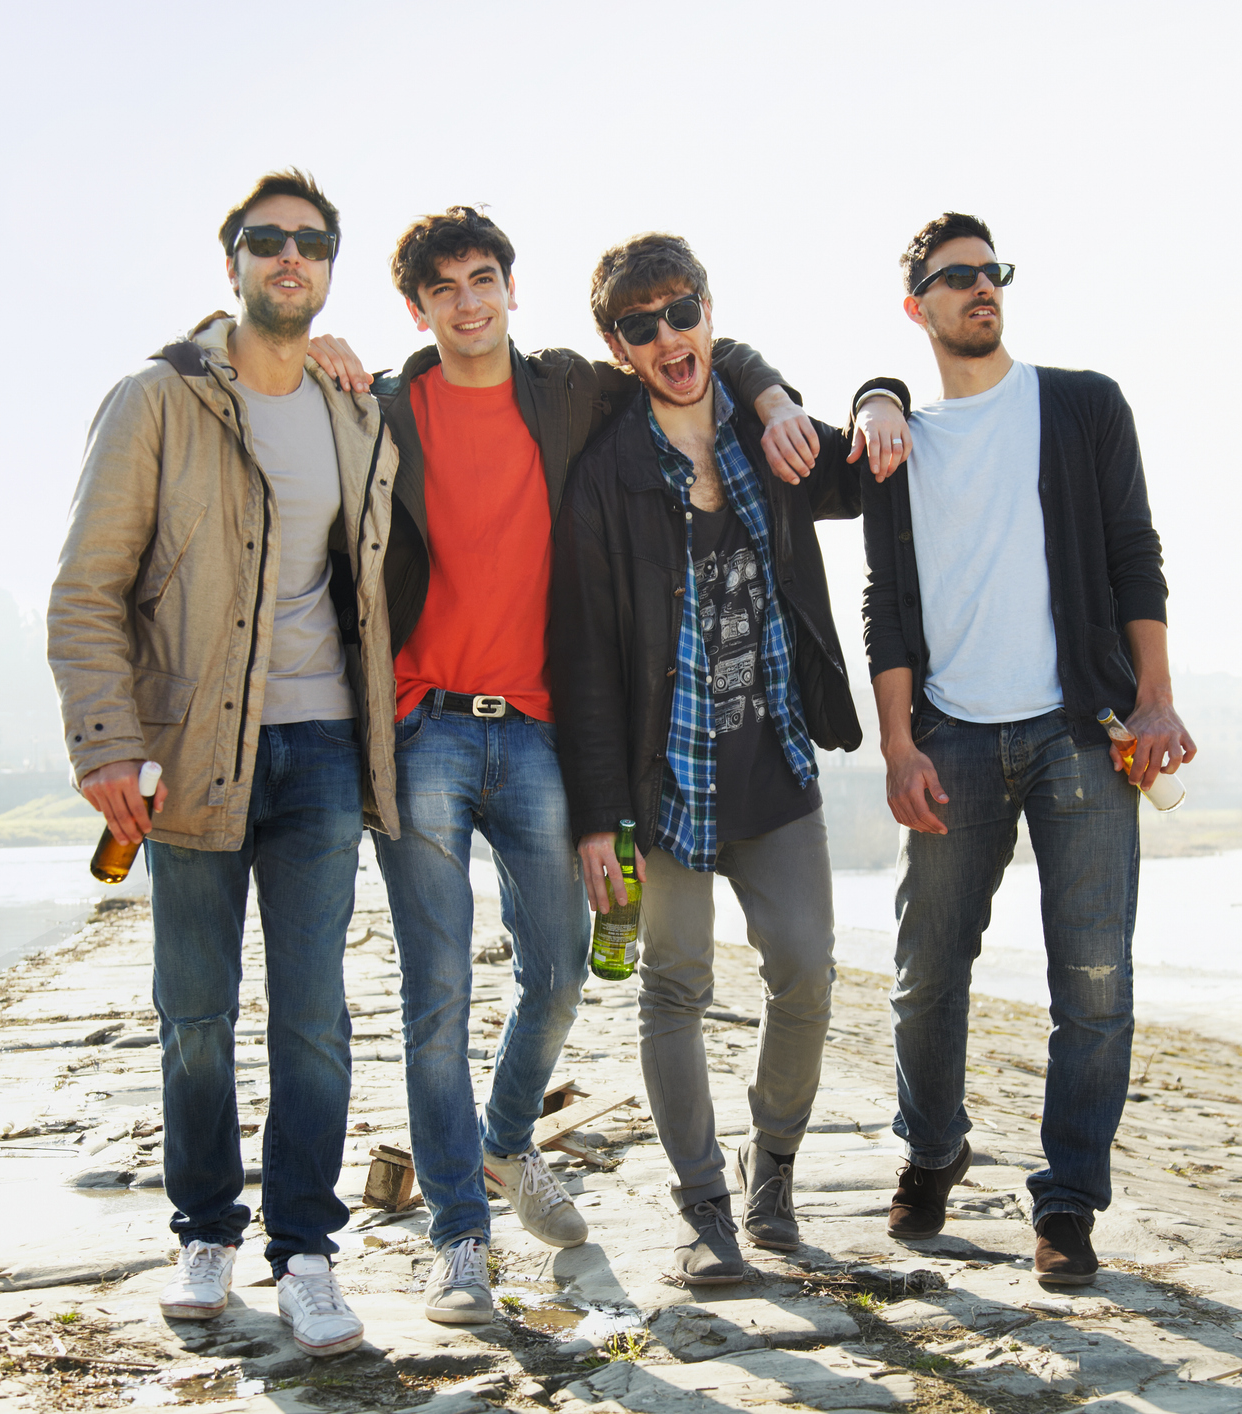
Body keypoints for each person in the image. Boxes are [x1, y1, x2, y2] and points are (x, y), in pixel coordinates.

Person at [302, 207, 823, 1322]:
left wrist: (780, 392)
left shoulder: (567, 390)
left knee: (564, 970)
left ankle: (500, 1141)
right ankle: (461, 1242)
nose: (469, 303)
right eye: (444, 290)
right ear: (416, 309)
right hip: (425, 726)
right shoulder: (385, 407)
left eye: (484, 279)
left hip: (535, 727)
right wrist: (310, 348)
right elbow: (244, 356)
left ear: (510, 288)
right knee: (435, 995)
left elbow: (693, 353)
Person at [48, 170, 391, 1356]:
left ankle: (304, 1251)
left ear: (330, 265)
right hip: (193, 755)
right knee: (194, 1011)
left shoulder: (356, 408)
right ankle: (205, 1230)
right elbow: (86, 588)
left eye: (310, 242)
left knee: (312, 1017)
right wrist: (107, 742)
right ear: (231, 260)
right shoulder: (156, 401)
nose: (288, 257)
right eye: (266, 241)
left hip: (326, 749)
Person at [550, 233, 910, 1283]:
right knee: (675, 985)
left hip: (775, 763)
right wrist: (595, 816)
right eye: (641, 324)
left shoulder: (770, 438)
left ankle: (774, 1186)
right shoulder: (605, 479)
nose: (669, 336)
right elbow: (579, 661)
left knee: (805, 969)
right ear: (617, 346)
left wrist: (882, 395)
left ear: (709, 308)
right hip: (666, 783)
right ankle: (702, 1206)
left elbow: (871, 463)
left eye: (683, 310)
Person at [858, 212, 1195, 1285]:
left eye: (990, 271)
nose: (979, 288)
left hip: (1078, 734)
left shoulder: (1083, 405)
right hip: (951, 736)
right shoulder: (895, 441)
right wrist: (899, 741)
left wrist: (1155, 699)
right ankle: (933, 1145)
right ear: (918, 306)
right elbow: (886, 604)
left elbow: (1135, 554)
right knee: (923, 975)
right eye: (953, 278)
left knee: (1094, 981)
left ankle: (1066, 1203)